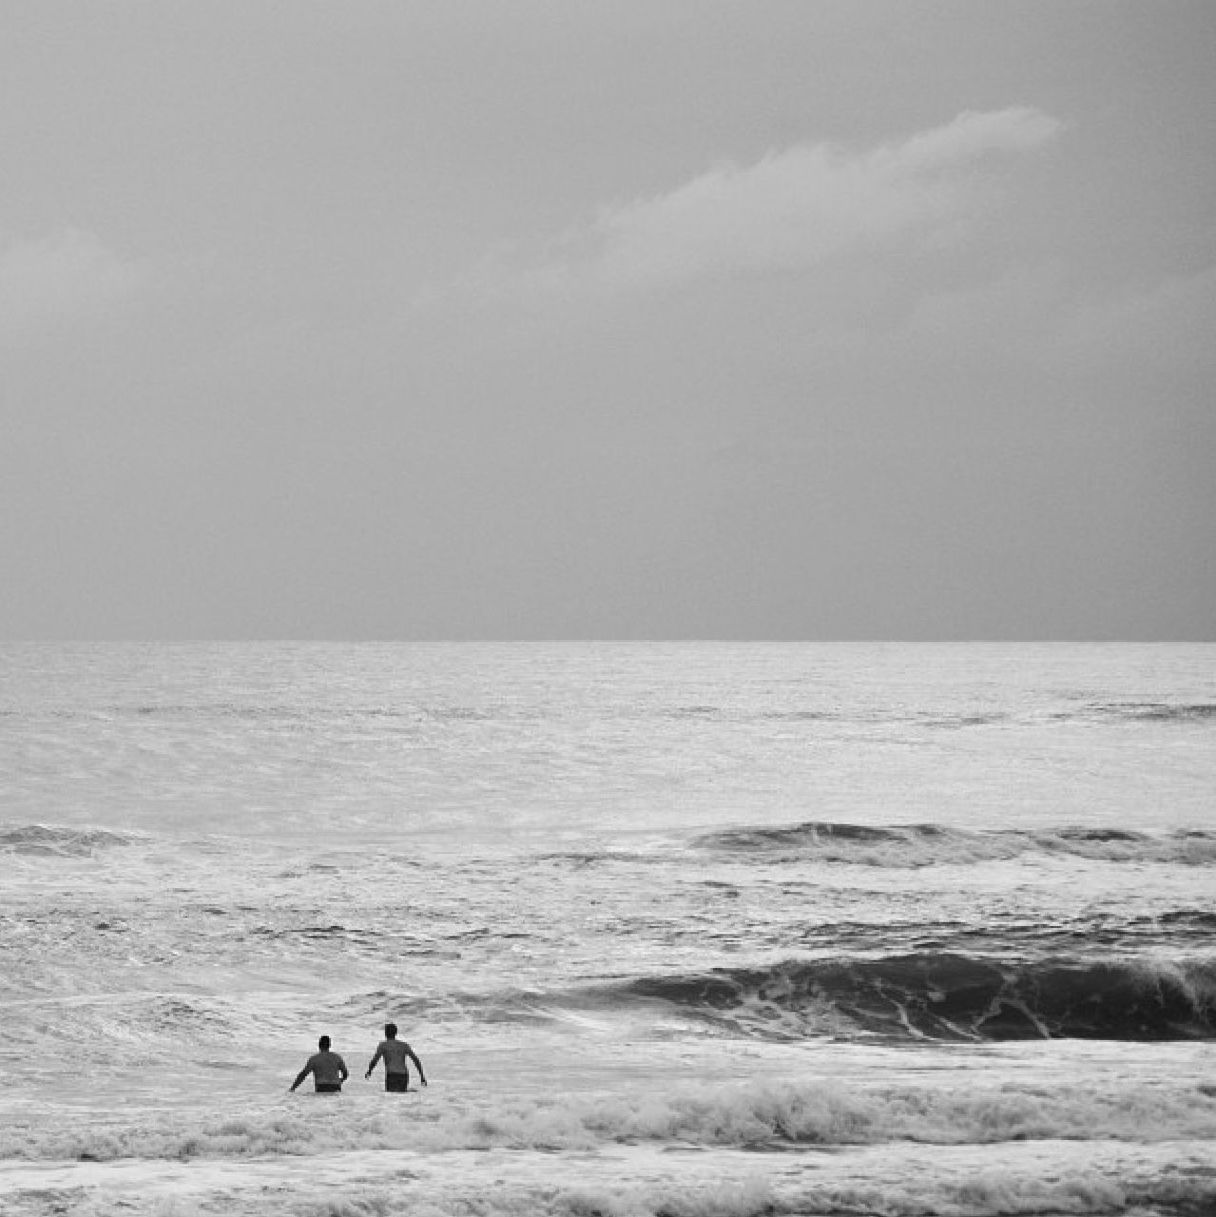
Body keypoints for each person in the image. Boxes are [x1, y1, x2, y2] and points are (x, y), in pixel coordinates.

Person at [365, 1023, 426, 1092]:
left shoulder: (383, 1045)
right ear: (396, 1033)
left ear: (385, 1033)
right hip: (404, 1075)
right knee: (402, 1096)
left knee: (391, 1097)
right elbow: (416, 1060)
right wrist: (422, 1076)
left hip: (392, 1075)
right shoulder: (404, 1045)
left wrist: (369, 1071)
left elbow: (374, 1060)